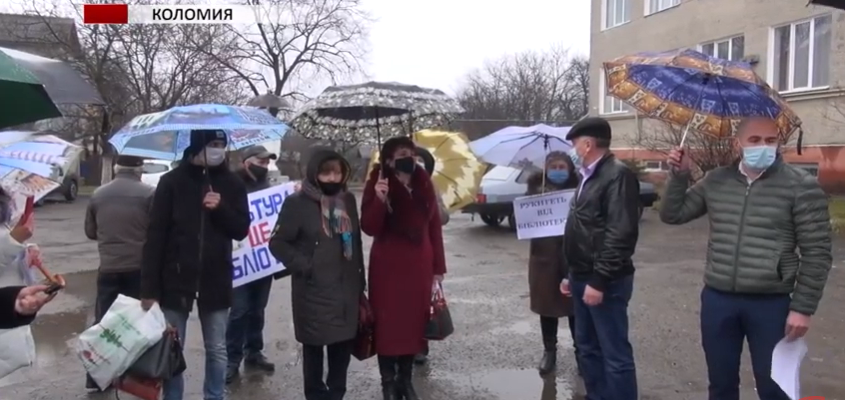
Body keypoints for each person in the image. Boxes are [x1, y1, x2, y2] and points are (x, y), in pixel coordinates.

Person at [660, 117, 832, 400]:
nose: (763, 147)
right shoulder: (716, 181)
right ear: (736, 143)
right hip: (719, 300)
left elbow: (818, 252)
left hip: (771, 304)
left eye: (770, 140)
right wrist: (678, 176)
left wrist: (803, 308)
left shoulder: (800, 185)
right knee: (721, 385)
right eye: (754, 140)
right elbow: (672, 214)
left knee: (774, 388)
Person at [140, 129, 250, 400]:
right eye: (212, 144)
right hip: (175, 280)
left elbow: (241, 229)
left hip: (216, 279)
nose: (218, 150)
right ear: (197, 146)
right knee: (171, 346)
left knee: (217, 348)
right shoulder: (171, 182)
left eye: (222, 145)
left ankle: (214, 395)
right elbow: (155, 237)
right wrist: (148, 289)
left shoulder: (233, 183)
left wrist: (221, 208)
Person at [269, 148, 365, 400]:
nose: (333, 178)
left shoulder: (348, 201)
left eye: (338, 172)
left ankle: (336, 394)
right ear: (314, 173)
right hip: (313, 291)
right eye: (326, 172)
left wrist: (360, 281)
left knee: (342, 349)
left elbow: (355, 243)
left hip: (346, 289)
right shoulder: (297, 203)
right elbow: (278, 243)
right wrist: (306, 265)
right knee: (314, 350)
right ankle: (315, 395)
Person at [559, 117, 640, 400]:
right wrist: (571, 272)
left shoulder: (617, 175)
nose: (573, 150)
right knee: (587, 347)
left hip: (606, 281)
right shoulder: (586, 176)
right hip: (582, 275)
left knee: (614, 352)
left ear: (588, 144)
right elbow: (583, 228)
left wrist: (600, 279)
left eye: (575, 144)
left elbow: (621, 233)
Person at [361, 136, 446, 400]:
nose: (407, 157)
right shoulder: (378, 182)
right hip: (388, 266)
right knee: (387, 325)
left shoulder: (423, 183)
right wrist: (379, 199)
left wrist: (438, 267)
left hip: (419, 264)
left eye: (410, 152)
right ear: (388, 159)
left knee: (413, 324)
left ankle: (405, 380)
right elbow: (369, 227)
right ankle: (388, 382)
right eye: (400, 153)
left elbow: (434, 228)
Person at [83, 155, 154, 390]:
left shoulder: (98, 194)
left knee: (104, 323)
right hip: (138, 268)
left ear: (115, 169)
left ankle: (95, 378)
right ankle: (132, 377)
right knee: (135, 324)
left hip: (109, 268)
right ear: (139, 170)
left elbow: (90, 231)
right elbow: (157, 231)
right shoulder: (149, 194)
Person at [225, 145, 278, 383]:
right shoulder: (231, 186)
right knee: (239, 311)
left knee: (257, 310)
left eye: (267, 163)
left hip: (262, 262)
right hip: (239, 262)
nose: (265, 166)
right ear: (247, 162)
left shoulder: (267, 187)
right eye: (261, 161)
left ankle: (253, 351)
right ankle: (231, 358)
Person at [526, 151, 579, 375]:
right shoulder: (535, 190)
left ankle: (582, 353)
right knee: (546, 306)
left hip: (573, 255)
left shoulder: (580, 189)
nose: (558, 171)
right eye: (553, 167)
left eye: (562, 167)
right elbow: (524, 220)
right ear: (546, 170)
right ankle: (550, 352)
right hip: (543, 259)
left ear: (569, 169)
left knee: (575, 308)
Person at [412, 146, 448, 365]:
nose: (415, 164)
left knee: (424, 303)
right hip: (402, 258)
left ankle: (420, 345)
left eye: (420, 161)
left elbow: (442, 219)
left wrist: (434, 204)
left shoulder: (432, 187)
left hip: (426, 254)